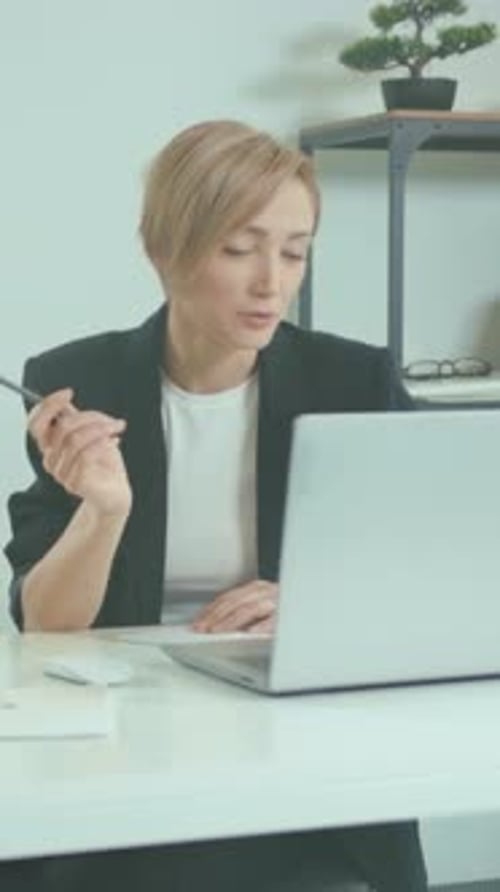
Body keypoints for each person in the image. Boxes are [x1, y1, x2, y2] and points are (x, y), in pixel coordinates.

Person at [4, 119, 428, 892]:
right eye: (240, 249)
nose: (273, 282)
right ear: (162, 250)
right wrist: (103, 512)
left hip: (295, 725)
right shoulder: (78, 381)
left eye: (294, 251)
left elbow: (431, 570)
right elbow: (47, 626)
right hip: (125, 732)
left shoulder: (354, 383)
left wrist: (319, 603)